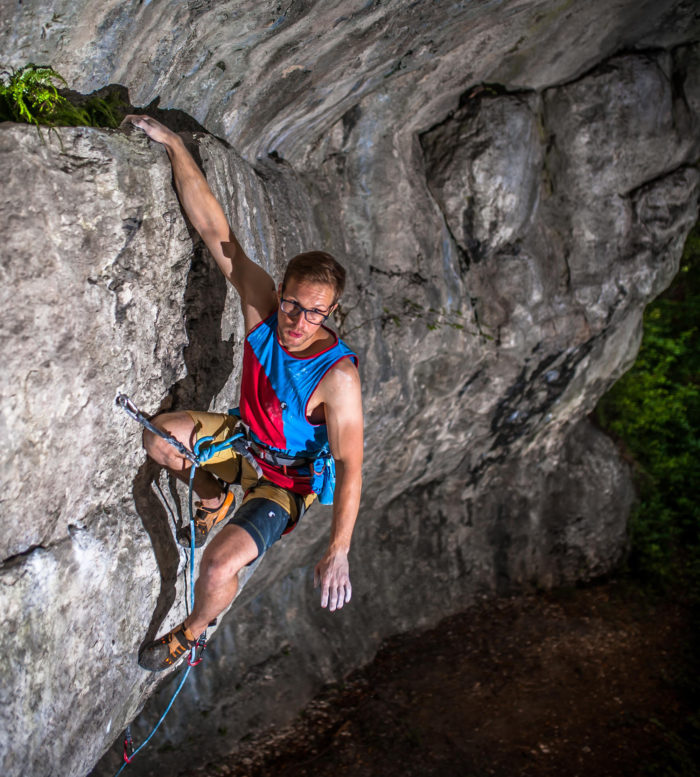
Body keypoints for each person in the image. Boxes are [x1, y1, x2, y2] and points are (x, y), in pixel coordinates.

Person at [123, 115, 364, 672]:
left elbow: (351, 466)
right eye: (292, 304)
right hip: (245, 441)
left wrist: (338, 549)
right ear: (280, 292)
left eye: (315, 312)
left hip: (284, 483)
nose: (298, 321)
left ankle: (193, 630)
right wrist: (176, 147)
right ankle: (212, 495)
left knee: (215, 568)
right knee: (159, 438)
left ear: (332, 313)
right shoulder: (263, 307)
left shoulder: (338, 376)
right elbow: (215, 230)